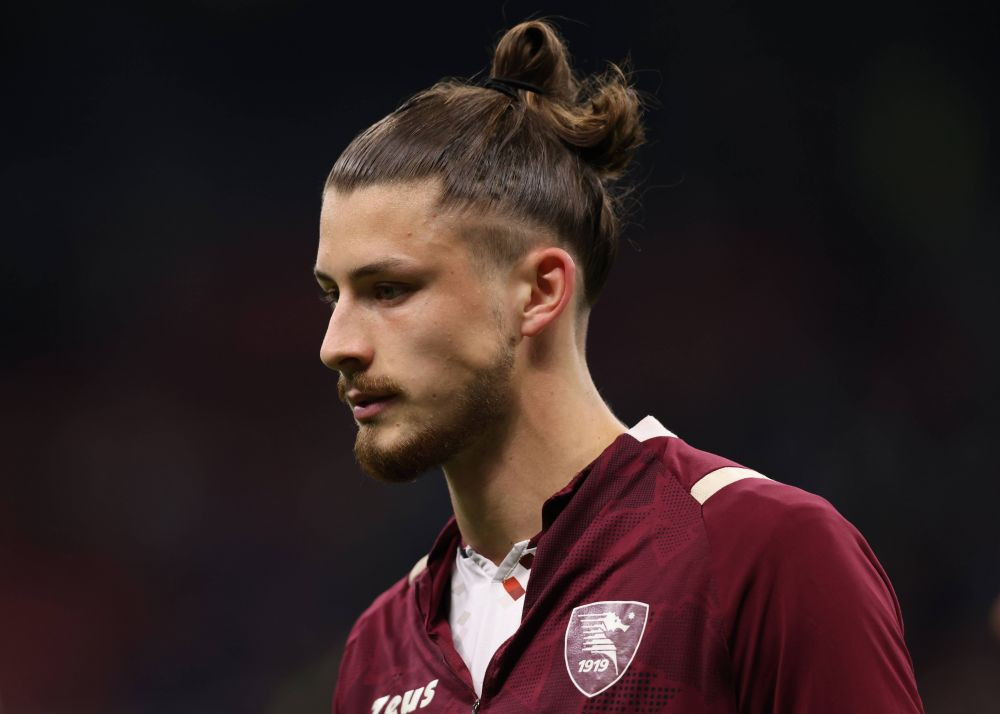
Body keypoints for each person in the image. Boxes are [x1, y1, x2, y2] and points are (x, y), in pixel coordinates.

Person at [315, 19, 925, 714]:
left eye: (389, 290)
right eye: (334, 295)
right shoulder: (378, 651)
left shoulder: (761, 552)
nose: (337, 344)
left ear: (539, 291)